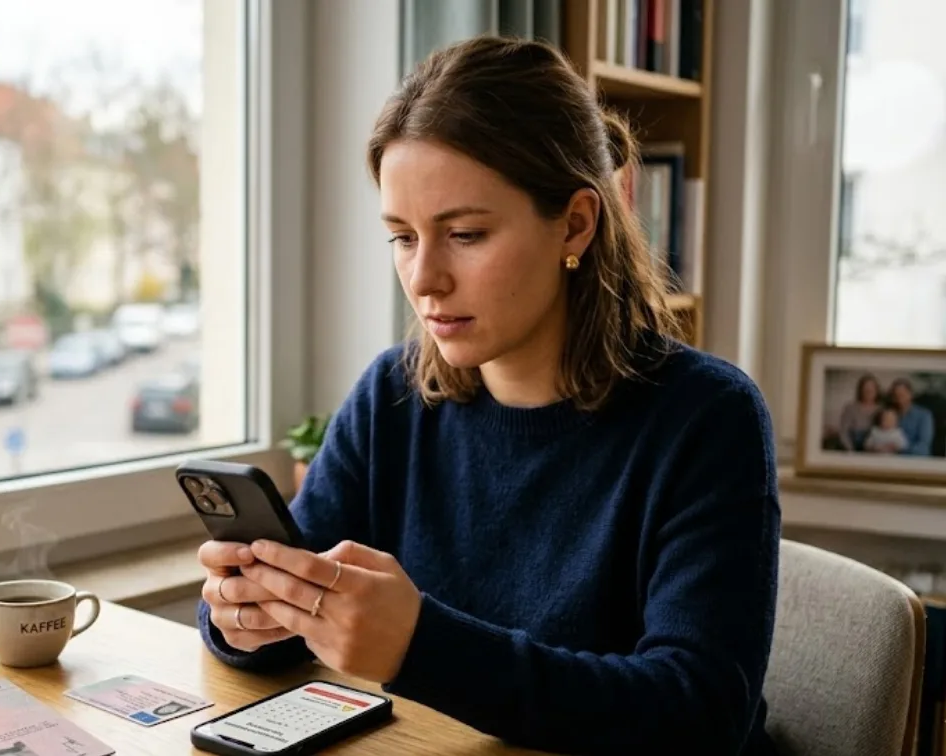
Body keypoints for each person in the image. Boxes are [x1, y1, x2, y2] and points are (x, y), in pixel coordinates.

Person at [196, 36, 782, 755]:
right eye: (402, 237)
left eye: (466, 234)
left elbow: (700, 715)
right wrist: (245, 616)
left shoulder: (708, 419)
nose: (424, 279)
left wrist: (421, 645)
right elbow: (290, 606)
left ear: (575, 224)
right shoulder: (391, 397)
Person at [888, 377, 934, 456]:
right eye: (896, 395)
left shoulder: (924, 415)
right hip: (891, 459)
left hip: (916, 460)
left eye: (902, 395)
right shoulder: (889, 415)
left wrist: (901, 450)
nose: (899, 399)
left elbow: (923, 446)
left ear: (910, 394)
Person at [838, 373, 881, 451]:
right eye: (866, 388)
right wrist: (851, 451)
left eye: (872, 389)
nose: (869, 391)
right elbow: (843, 433)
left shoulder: (881, 409)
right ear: (860, 390)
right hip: (853, 448)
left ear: (876, 391)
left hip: (873, 450)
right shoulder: (850, 408)